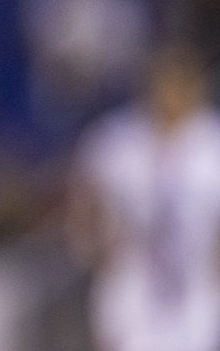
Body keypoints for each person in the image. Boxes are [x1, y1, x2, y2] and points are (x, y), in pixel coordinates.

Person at [70, 44, 220, 351]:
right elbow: (83, 207)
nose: (172, 92)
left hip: (196, 292)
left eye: (182, 82)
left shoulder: (212, 141)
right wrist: (93, 248)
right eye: (166, 81)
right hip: (129, 291)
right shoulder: (114, 141)